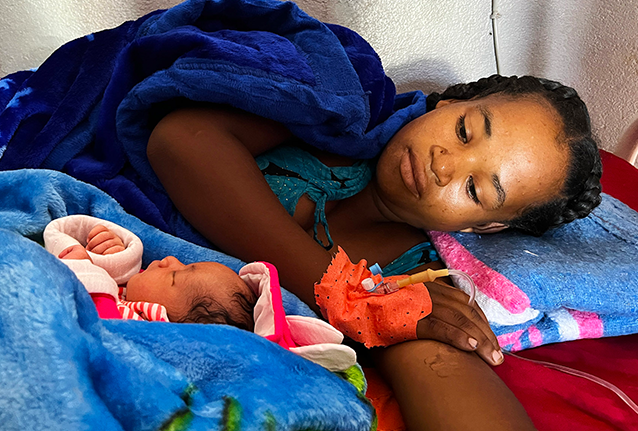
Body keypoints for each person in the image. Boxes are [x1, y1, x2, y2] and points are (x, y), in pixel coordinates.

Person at [145, 74, 602, 431]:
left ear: (484, 226)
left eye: (475, 188)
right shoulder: (337, 116)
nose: (443, 163)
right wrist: (345, 294)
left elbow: (442, 368)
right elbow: (181, 138)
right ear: (447, 104)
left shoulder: (414, 280)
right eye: (464, 131)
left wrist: (388, 312)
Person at [45, 215, 257, 331]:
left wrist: (84, 270)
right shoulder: (138, 293)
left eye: (174, 277)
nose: (171, 260)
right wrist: (112, 257)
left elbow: (97, 321)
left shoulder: (136, 326)